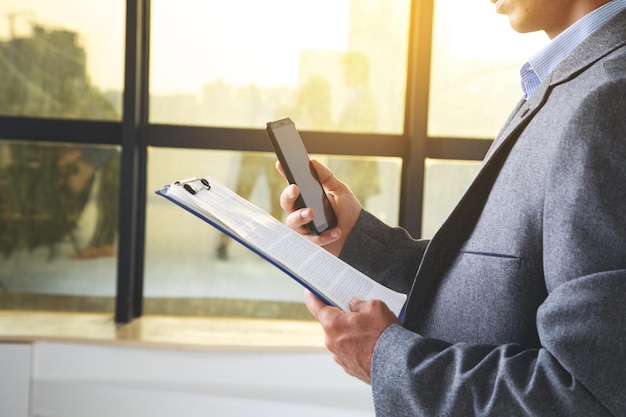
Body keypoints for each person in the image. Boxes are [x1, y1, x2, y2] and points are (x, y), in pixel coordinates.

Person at [278, 0, 626, 415]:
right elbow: (510, 272)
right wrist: (360, 239)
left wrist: (386, 358)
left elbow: (590, 394)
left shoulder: (607, 97)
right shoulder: (573, 79)